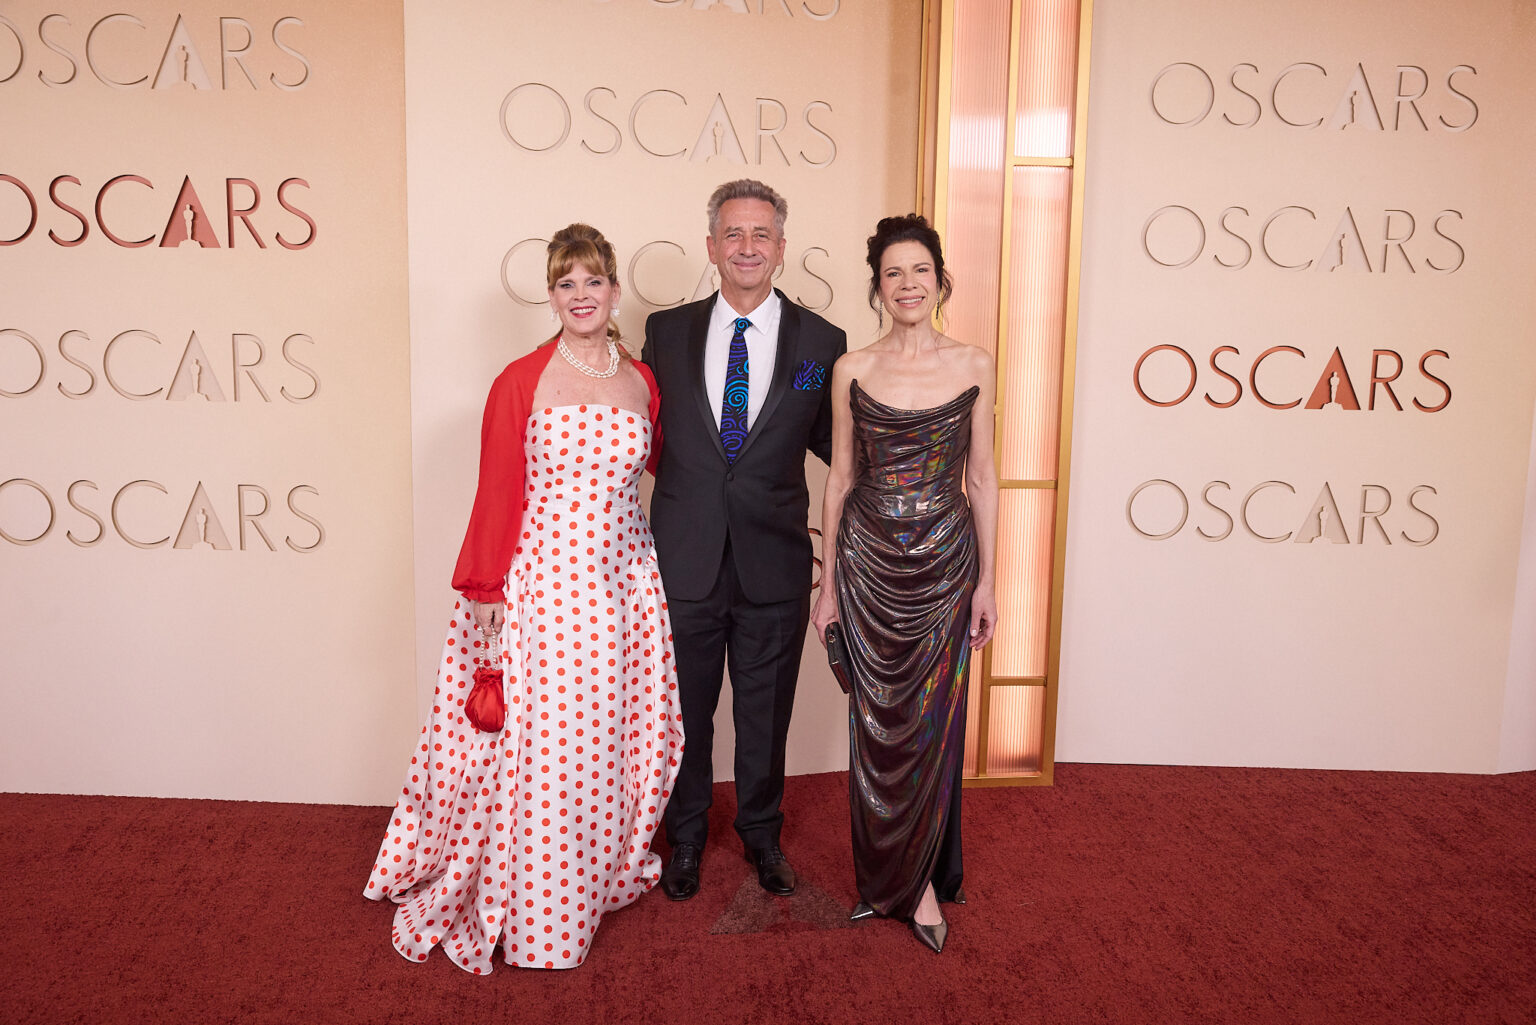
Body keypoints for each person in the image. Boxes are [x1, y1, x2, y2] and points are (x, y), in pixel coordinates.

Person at [364, 224, 683, 972]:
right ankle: (542, 910)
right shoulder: (520, 380)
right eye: (566, 283)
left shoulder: (643, 380)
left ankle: (593, 870)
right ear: (551, 294)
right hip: (542, 587)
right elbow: (498, 487)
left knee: (605, 737)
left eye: (593, 281)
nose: (581, 295)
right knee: (543, 746)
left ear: (613, 289)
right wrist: (485, 586)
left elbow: (652, 478)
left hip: (623, 586)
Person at [641, 180, 847, 900]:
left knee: (767, 712)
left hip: (774, 564)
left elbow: (831, 444)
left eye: (762, 234)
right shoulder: (665, 334)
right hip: (683, 560)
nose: (748, 247)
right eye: (734, 234)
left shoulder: (820, 346)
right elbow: (641, 436)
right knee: (684, 712)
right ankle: (686, 836)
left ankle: (762, 834)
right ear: (711, 247)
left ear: (782, 249)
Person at [810, 214, 999, 954]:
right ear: (878, 287)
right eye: (893, 273)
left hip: (947, 565)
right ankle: (889, 878)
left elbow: (982, 478)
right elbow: (840, 481)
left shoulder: (976, 361)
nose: (908, 284)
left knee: (932, 722)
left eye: (920, 269)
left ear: (941, 278)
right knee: (875, 720)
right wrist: (825, 587)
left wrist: (988, 581)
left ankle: (917, 879)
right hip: (868, 560)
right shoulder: (851, 369)